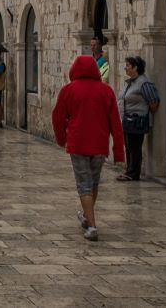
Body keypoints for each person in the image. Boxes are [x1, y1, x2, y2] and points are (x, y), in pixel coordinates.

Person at [51, 55, 124, 241]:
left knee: (84, 184)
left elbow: (58, 117)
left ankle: (92, 226)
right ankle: (86, 216)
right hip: (99, 144)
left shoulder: (69, 90)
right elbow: (115, 122)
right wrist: (118, 151)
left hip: (78, 143)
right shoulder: (106, 91)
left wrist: (61, 139)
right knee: (93, 183)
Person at [117, 56, 160, 182]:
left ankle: (133, 173)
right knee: (128, 147)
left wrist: (143, 112)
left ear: (135, 67)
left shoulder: (144, 83)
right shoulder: (130, 82)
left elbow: (153, 102)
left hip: (137, 121)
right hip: (127, 120)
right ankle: (129, 170)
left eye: (128, 65)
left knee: (134, 147)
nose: (125, 68)